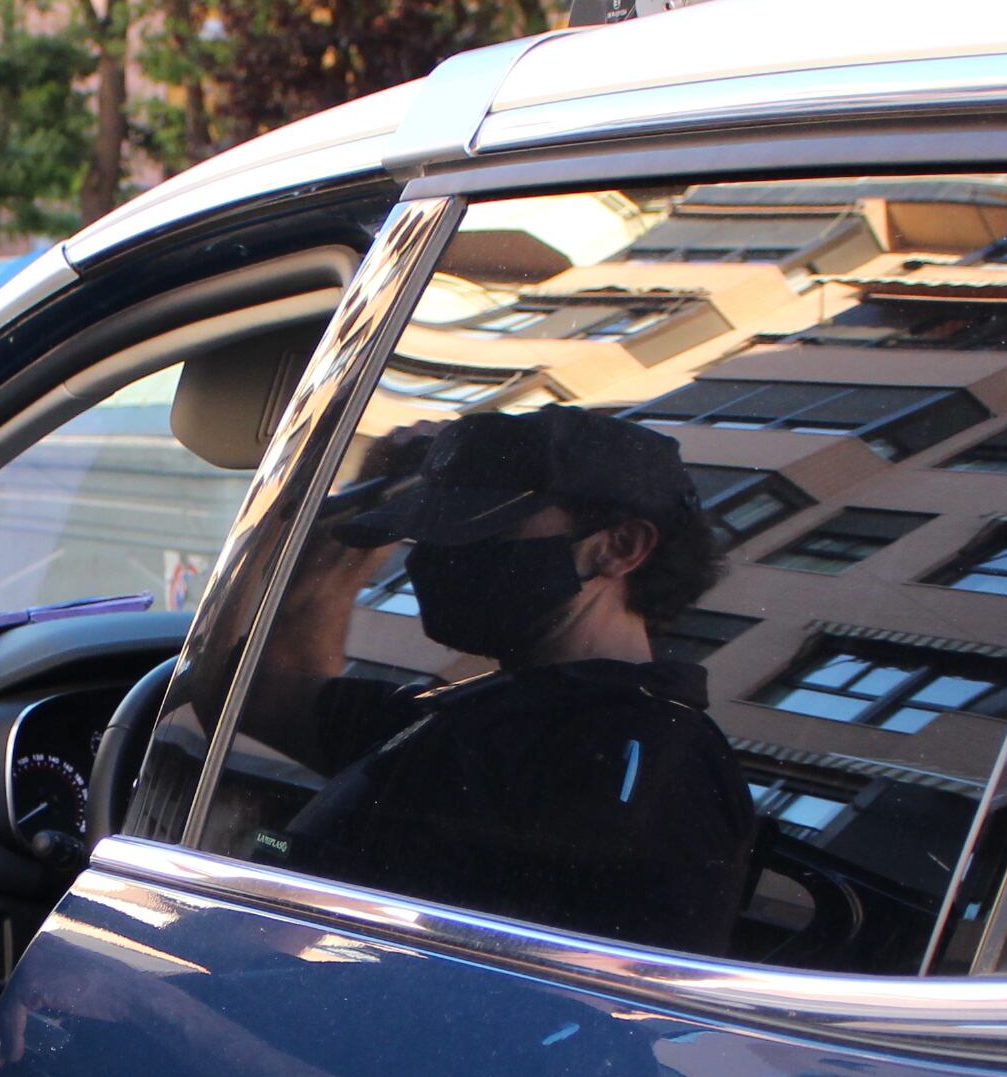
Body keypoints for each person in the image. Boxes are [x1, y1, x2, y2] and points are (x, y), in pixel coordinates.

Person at [242, 407, 759, 957]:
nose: (438, 559)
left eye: (481, 530)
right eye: (427, 534)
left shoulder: (645, 758)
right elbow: (258, 693)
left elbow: (607, 993)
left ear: (621, 546)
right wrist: (374, 494)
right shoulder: (471, 714)